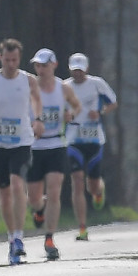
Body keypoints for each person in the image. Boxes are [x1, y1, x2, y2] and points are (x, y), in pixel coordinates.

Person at [0, 38, 45, 266]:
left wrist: (39, 120)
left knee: (16, 184)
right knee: (4, 193)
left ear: (19, 59)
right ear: (0, 57)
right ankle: (12, 237)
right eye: (7, 59)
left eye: (15, 60)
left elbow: (36, 102)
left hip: (21, 141)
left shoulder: (28, 80)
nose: (11, 64)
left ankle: (20, 237)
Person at [26, 48, 81, 260]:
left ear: (54, 65)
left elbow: (77, 106)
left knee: (55, 190)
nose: (41, 69)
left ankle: (49, 239)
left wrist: (71, 114)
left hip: (57, 144)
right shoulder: (30, 86)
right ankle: (39, 209)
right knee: (33, 197)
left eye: (44, 65)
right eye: (37, 65)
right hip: (34, 146)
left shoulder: (63, 88)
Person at [65, 53, 116, 240]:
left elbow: (113, 102)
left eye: (80, 69)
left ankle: (98, 192)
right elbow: (59, 108)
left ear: (86, 69)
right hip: (73, 139)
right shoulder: (65, 86)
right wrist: (66, 116)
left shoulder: (97, 84)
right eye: (74, 69)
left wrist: (100, 112)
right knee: (77, 181)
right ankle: (82, 228)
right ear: (70, 69)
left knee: (92, 186)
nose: (77, 73)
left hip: (95, 139)